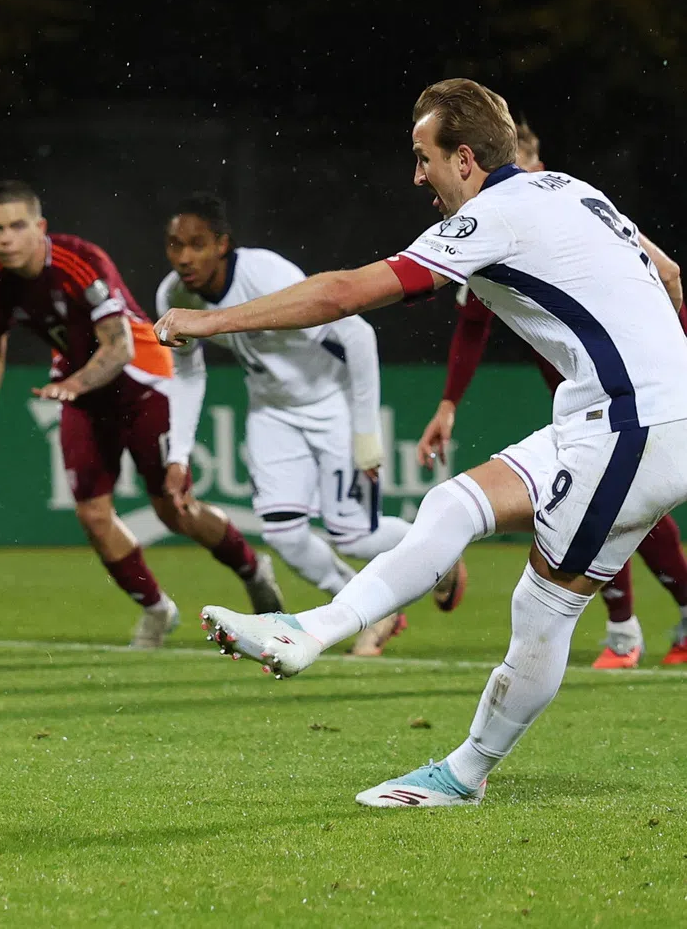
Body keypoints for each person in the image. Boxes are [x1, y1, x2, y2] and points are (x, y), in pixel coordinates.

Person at [155, 79, 687, 807]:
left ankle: (464, 774)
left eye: (423, 157)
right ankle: (308, 631)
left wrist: (206, 324)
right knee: (454, 504)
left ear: (464, 159)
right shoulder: (567, 187)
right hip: (609, 415)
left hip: (633, 424)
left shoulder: (492, 217)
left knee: (544, 610)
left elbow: (344, 293)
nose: (417, 176)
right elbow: (669, 274)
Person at [0, 180, 284, 649]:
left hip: (144, 383)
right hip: (83, 394)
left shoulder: (79, 262)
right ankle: (157, 610)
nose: (6, 238)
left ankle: (253, 569)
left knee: (174, 509)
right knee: (93, 516)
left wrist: (72, 383)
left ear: (40, 227)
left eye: (17, 226)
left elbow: (119, 347)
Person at [417, 121, 687, 668]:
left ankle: (628, 630)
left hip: (640, 391)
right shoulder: (486, 230)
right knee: (605, 507)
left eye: (532, 167)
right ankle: (624, 631)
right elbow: (471, 325)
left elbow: (670, 274)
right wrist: (447, 403)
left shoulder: (567, 204)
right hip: (595, 396)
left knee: (615, 508)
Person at [157, 192, 466, 656]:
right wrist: (178, 456)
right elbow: (187, 373)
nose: (184, 258)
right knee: (283, 533)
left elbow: (357, 334)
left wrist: (365, 433)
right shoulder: (173, 294)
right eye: (174, 246)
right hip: (270, 411)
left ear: (222, 244)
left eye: (196, 244)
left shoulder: (265, 274)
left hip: (331, 404)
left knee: (354, 534)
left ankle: (442, 552)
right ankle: (369, 609)